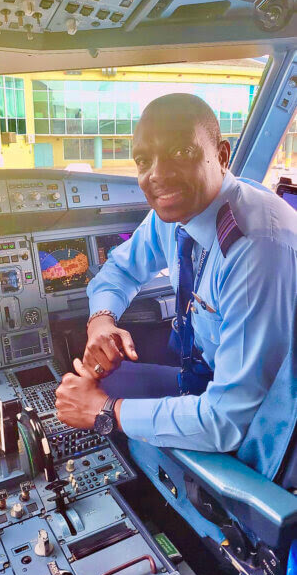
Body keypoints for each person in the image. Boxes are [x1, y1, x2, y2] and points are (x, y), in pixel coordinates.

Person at [56, 94, 296, 457]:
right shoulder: (178, 210)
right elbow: (120, 269)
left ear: (222, 155)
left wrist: (105, 412)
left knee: (101, 406)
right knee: (104, 380)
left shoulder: (255, 249)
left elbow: (226, 422)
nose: (157, 174)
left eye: (180, 152)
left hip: (267, 423)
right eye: (143, 160)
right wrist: (100, 322)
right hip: (206, 375)